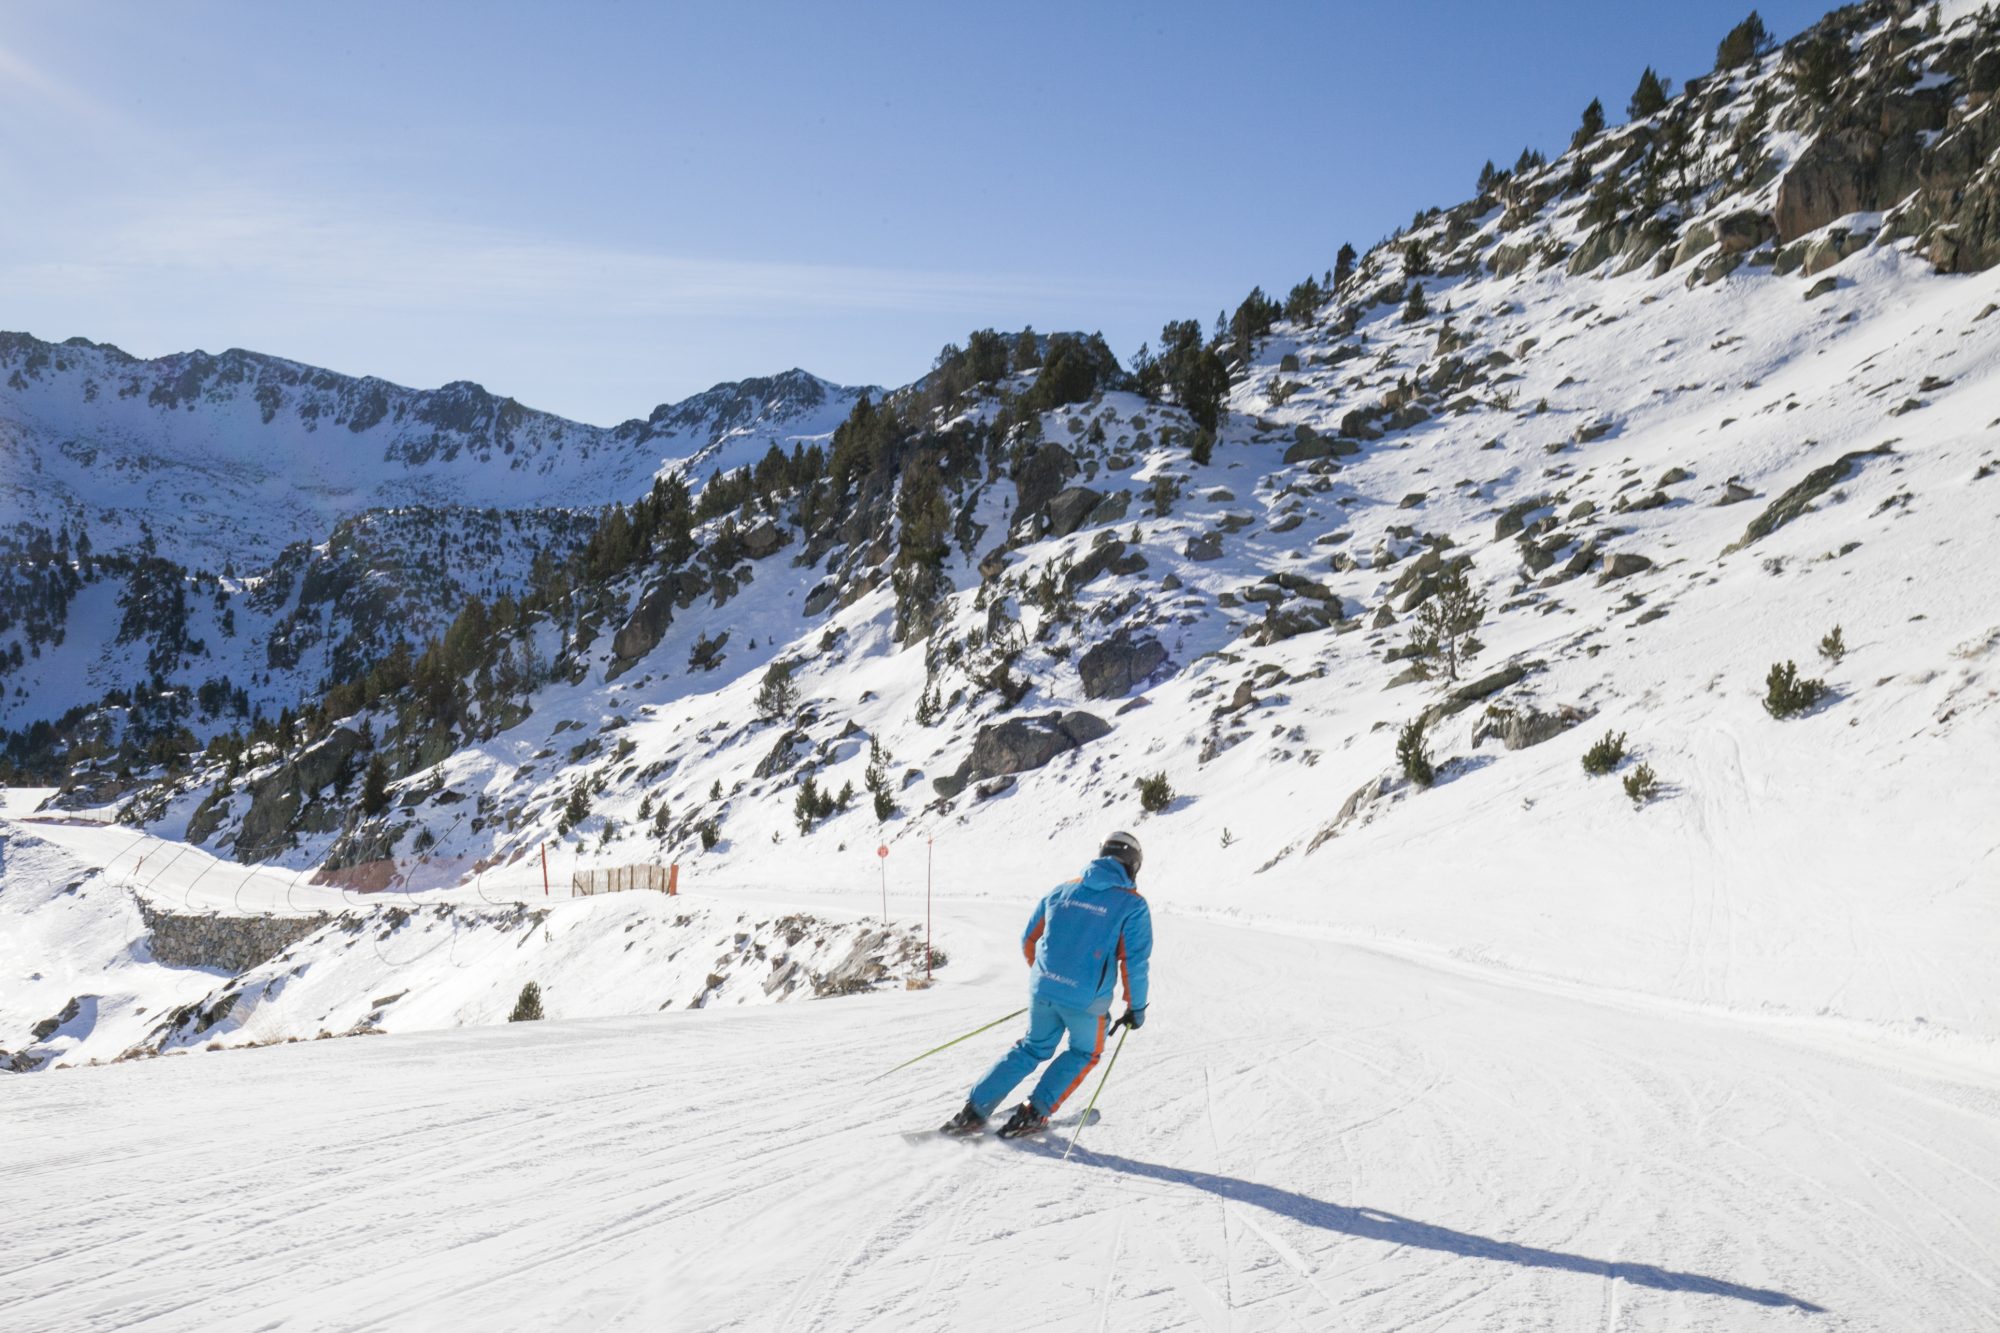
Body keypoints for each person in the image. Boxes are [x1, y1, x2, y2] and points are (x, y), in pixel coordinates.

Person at [943, 830, 1152, 1138]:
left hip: (1043, 991)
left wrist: (1045, 977)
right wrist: (1136, 1008)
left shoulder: (1061, 890)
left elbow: (1029, 939)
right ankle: (1034, 1112)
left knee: (1031, 1048)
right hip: (1087, 1003)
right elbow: (1134, 962)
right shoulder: (1132, 905)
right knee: (1084, 1052)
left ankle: (973, 1111)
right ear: (1133, 865)